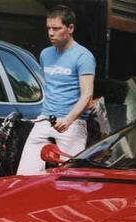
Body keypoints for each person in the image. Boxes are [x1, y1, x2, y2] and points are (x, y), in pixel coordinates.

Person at [17, 4, 95, 175]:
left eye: (56, 28)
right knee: (25, 175)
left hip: (72, 123)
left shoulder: (84, 56)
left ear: (71, 28)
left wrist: (68, 120)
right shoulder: (45, 54)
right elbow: (49, 87)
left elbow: (87, 94)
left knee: (71, 178)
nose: (51, 33)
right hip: (45, 119)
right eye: (48, 28)